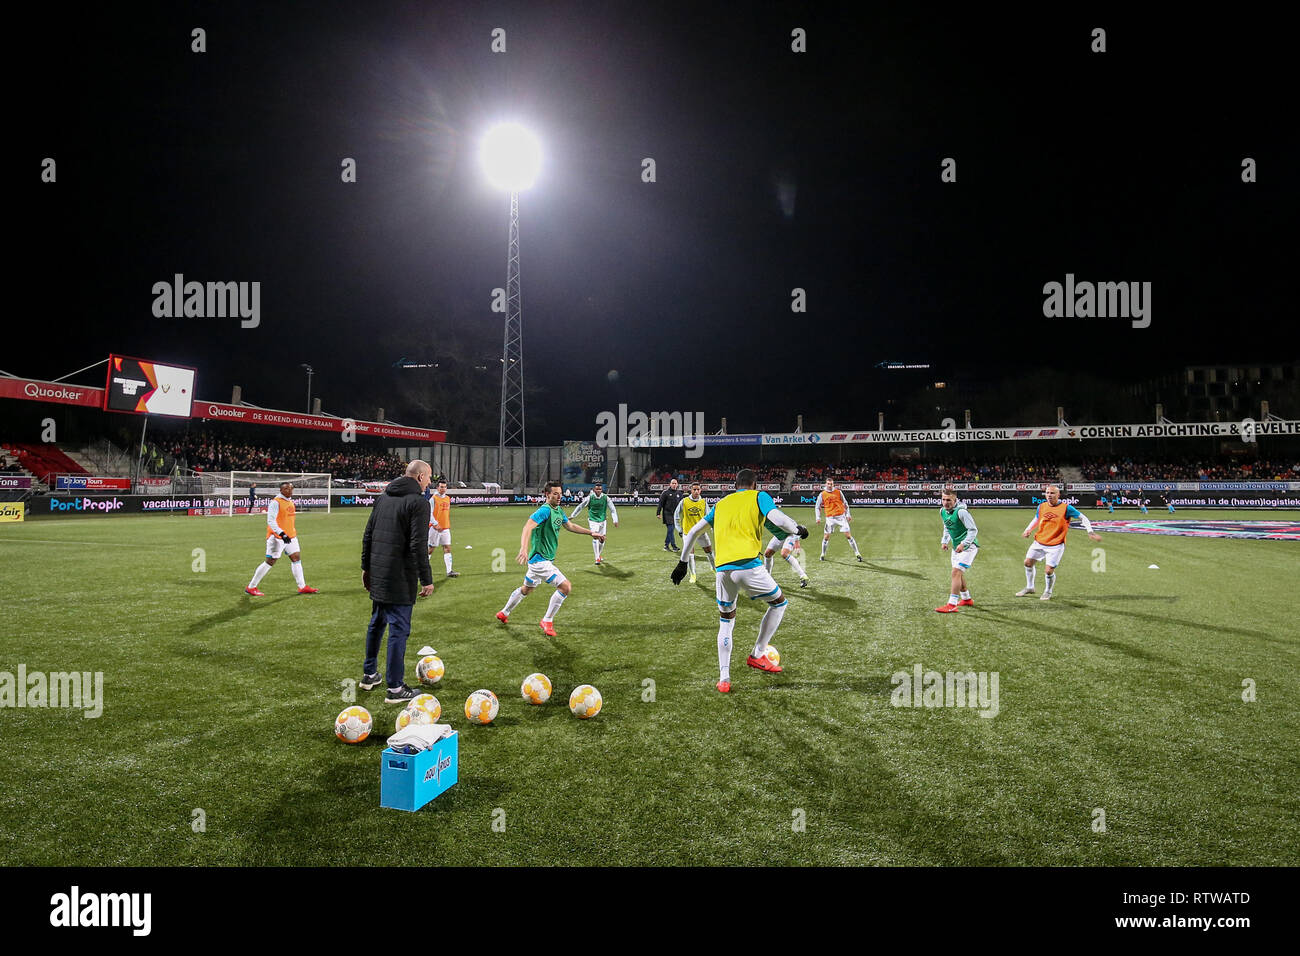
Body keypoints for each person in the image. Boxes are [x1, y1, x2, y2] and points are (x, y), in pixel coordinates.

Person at [672, 469, 808, 694]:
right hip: (748, 567)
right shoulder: (758, 496)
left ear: (736, 485)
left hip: (723, 569)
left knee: (726, 620)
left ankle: (724, 678)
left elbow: (694, 531)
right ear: (754, 484)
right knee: (779, 603)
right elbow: (777, 518)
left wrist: (683, 562)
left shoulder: (721, 504)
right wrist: (798, 529)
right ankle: (757, 654)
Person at [360, 460, 435, 703]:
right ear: (421, 477)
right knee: (398, 630)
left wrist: (366, 568)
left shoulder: (383, 497)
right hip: (399, 576)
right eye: (430, 477)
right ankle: (395, 688)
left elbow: (368, 535)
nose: (430, 482)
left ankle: (369, 674)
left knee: (377, 623)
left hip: (379, 572)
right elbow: (417, 545)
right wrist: (426, 579)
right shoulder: (419, 503)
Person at [496, 480, 604, 637]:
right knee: (565, 587)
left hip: (540, 561)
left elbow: (570, 526)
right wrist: (524, 548)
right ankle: (547, 620)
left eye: (560, 494)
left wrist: (591, 533)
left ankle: (504, 612)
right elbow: (527, 527)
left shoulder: (558, 510)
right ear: (547, 495)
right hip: (540, 560)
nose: (559, 496)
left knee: (526, 589)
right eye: (555, 494)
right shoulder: (544, 510)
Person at [1016, 484, 1102, 602]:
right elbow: (1037, 518)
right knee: (1028, 563)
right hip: (1039, 541)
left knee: (1048, 571)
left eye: (1052, 493)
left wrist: (1090, 531)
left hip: (1056, 545)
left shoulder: (1066, 508)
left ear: (1058, 495)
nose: (1049, 495)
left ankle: (1048, 591)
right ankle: (1030, 587)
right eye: (1047, 493)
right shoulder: (1041, 506)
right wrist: (1028, 529)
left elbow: (1083, 518)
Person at [245, 481, 317, 596]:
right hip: (277, 537)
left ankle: (302, 586)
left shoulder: (290, 502)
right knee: (270, 562)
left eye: (291, 488)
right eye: (287, 489)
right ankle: (251, 587)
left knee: (296, 558)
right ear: (281, 490)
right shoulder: (275, 502)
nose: (290, 490)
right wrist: (282, 533)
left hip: (291, 536)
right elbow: (271, 521)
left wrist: (289, 533)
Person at [935, 487, 978, 613]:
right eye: (943, 499)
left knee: (955, 572)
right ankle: (966, 599)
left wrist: (964, 544)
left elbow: (973, 530)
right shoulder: (942, 511)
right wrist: (944, 541)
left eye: (948, 500)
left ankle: (952, 604)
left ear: (955, 500)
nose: (945, 502)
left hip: (969, 547)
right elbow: (947, 526)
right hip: (956, 547)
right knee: (958, 574)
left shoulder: (962, 512)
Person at [674, 482, 715, 582]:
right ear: (690, 490)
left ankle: (714, 568)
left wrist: (712, 528)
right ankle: (693, 574)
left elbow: (710, 517)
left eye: (698, 489)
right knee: (690, 554)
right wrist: (679, 529)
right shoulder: (684, 501)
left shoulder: (703, 502)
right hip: (688, 533)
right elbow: (676, 516)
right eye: (694, 489)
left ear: (700, 490)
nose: (696, 491)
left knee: (709, 552)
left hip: (701, 532)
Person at [570, 481, 619, 564]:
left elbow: (613, 509)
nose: (599, 491)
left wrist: (615, 520)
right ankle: (597, 558)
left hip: (603, 521)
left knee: (602, 539)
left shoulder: (606, 498)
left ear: (602, 489)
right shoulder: (590, 498)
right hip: (593, 520)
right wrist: (573, 515)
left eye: (600, 489)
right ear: (594, 490)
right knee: (595, 536)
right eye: (597, 489)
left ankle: (599, 555)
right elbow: (580, 506)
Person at [815, 477, 862, 562]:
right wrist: (818, 517)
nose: (830, 485)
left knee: (848, 535)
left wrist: (848, 514)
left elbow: (845, 503)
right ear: (826, 484)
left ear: (833, 484)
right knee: (826, 537)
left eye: (831, 484)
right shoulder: (822, 494)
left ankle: (857, 553)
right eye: (828, 484)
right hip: (830, 518)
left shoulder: (838, 492)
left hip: (841, 517)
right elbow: (817, 507)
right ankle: (822, 554)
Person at [426, 479, 459, 578]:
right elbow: (429, 512)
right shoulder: (433, 499)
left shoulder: (448, 498)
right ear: (437, 488)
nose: (443, 489)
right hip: (435, 529)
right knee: (430, 549)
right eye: (441, 487)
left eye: (444, 487)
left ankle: (449, 571)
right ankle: (420, 570)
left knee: (447, 548)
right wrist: (435, 523)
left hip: (445, 528)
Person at [657, 477, 684, 551]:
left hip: (676, 515)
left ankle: (666, 545)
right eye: (673, 483)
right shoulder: (665, 493)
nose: (674, 485)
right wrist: (658, 513)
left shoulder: (679, 493)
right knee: (671, 529)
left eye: (675, 483)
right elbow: (660, 504)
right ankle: (674, 546)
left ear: (677, 484)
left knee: (670, 531)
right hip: (667, 514)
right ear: (670, 484)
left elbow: (682, 505)